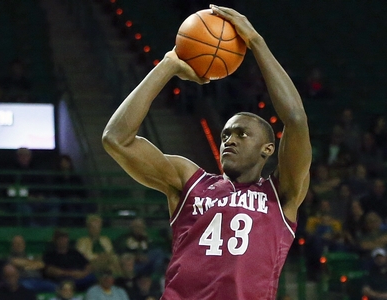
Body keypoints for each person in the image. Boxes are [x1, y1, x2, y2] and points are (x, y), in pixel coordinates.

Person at [102, 4, 311, 300]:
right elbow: (116, 139)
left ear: (268, 148)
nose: (229, 140)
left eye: (242, 133)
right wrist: (168, 65)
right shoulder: (191, 181)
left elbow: (296, 119)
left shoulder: (282, 194)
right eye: (225, 134)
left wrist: (255, 42)